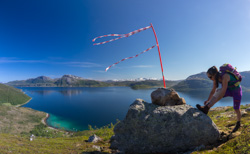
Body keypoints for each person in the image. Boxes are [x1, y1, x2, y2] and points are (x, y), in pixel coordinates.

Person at [196, 66, 242, 133]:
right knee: (218, 91)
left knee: (236, 108)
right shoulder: (215, 79)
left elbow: (222, 93)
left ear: (214, 74)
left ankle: (238, 123)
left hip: (236, 91)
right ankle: (206, 108)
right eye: (209, 77)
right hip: (229, 89)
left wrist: (211, 103)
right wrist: (208, 100)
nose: (210, 79)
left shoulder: (225, 77)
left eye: (210, 77)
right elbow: (213, 91)